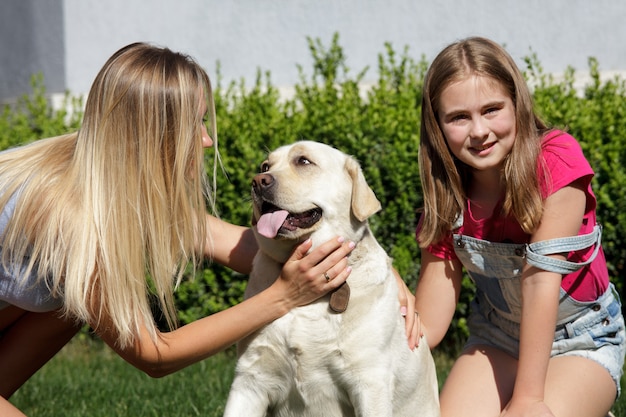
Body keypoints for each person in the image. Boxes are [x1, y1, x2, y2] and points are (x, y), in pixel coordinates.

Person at [0, 43, 419, 416]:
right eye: (193, 124)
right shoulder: (69, 218)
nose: (204, 140)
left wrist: (367, 265)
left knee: (64, 304)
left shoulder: (108, 181)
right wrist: (282, 296)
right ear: (149, 134)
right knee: (72, 295)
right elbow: (154, 356)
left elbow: (231, 244)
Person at [414, 36, 625, 417]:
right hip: (497, 337)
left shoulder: (556, 160)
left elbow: (540, 280)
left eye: (492, 109)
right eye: (459, 117)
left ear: (517, 103)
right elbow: (428, 325)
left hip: (580, 338)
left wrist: (528, 401)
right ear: (438, 126)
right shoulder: (446, 197)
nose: (479, 131)